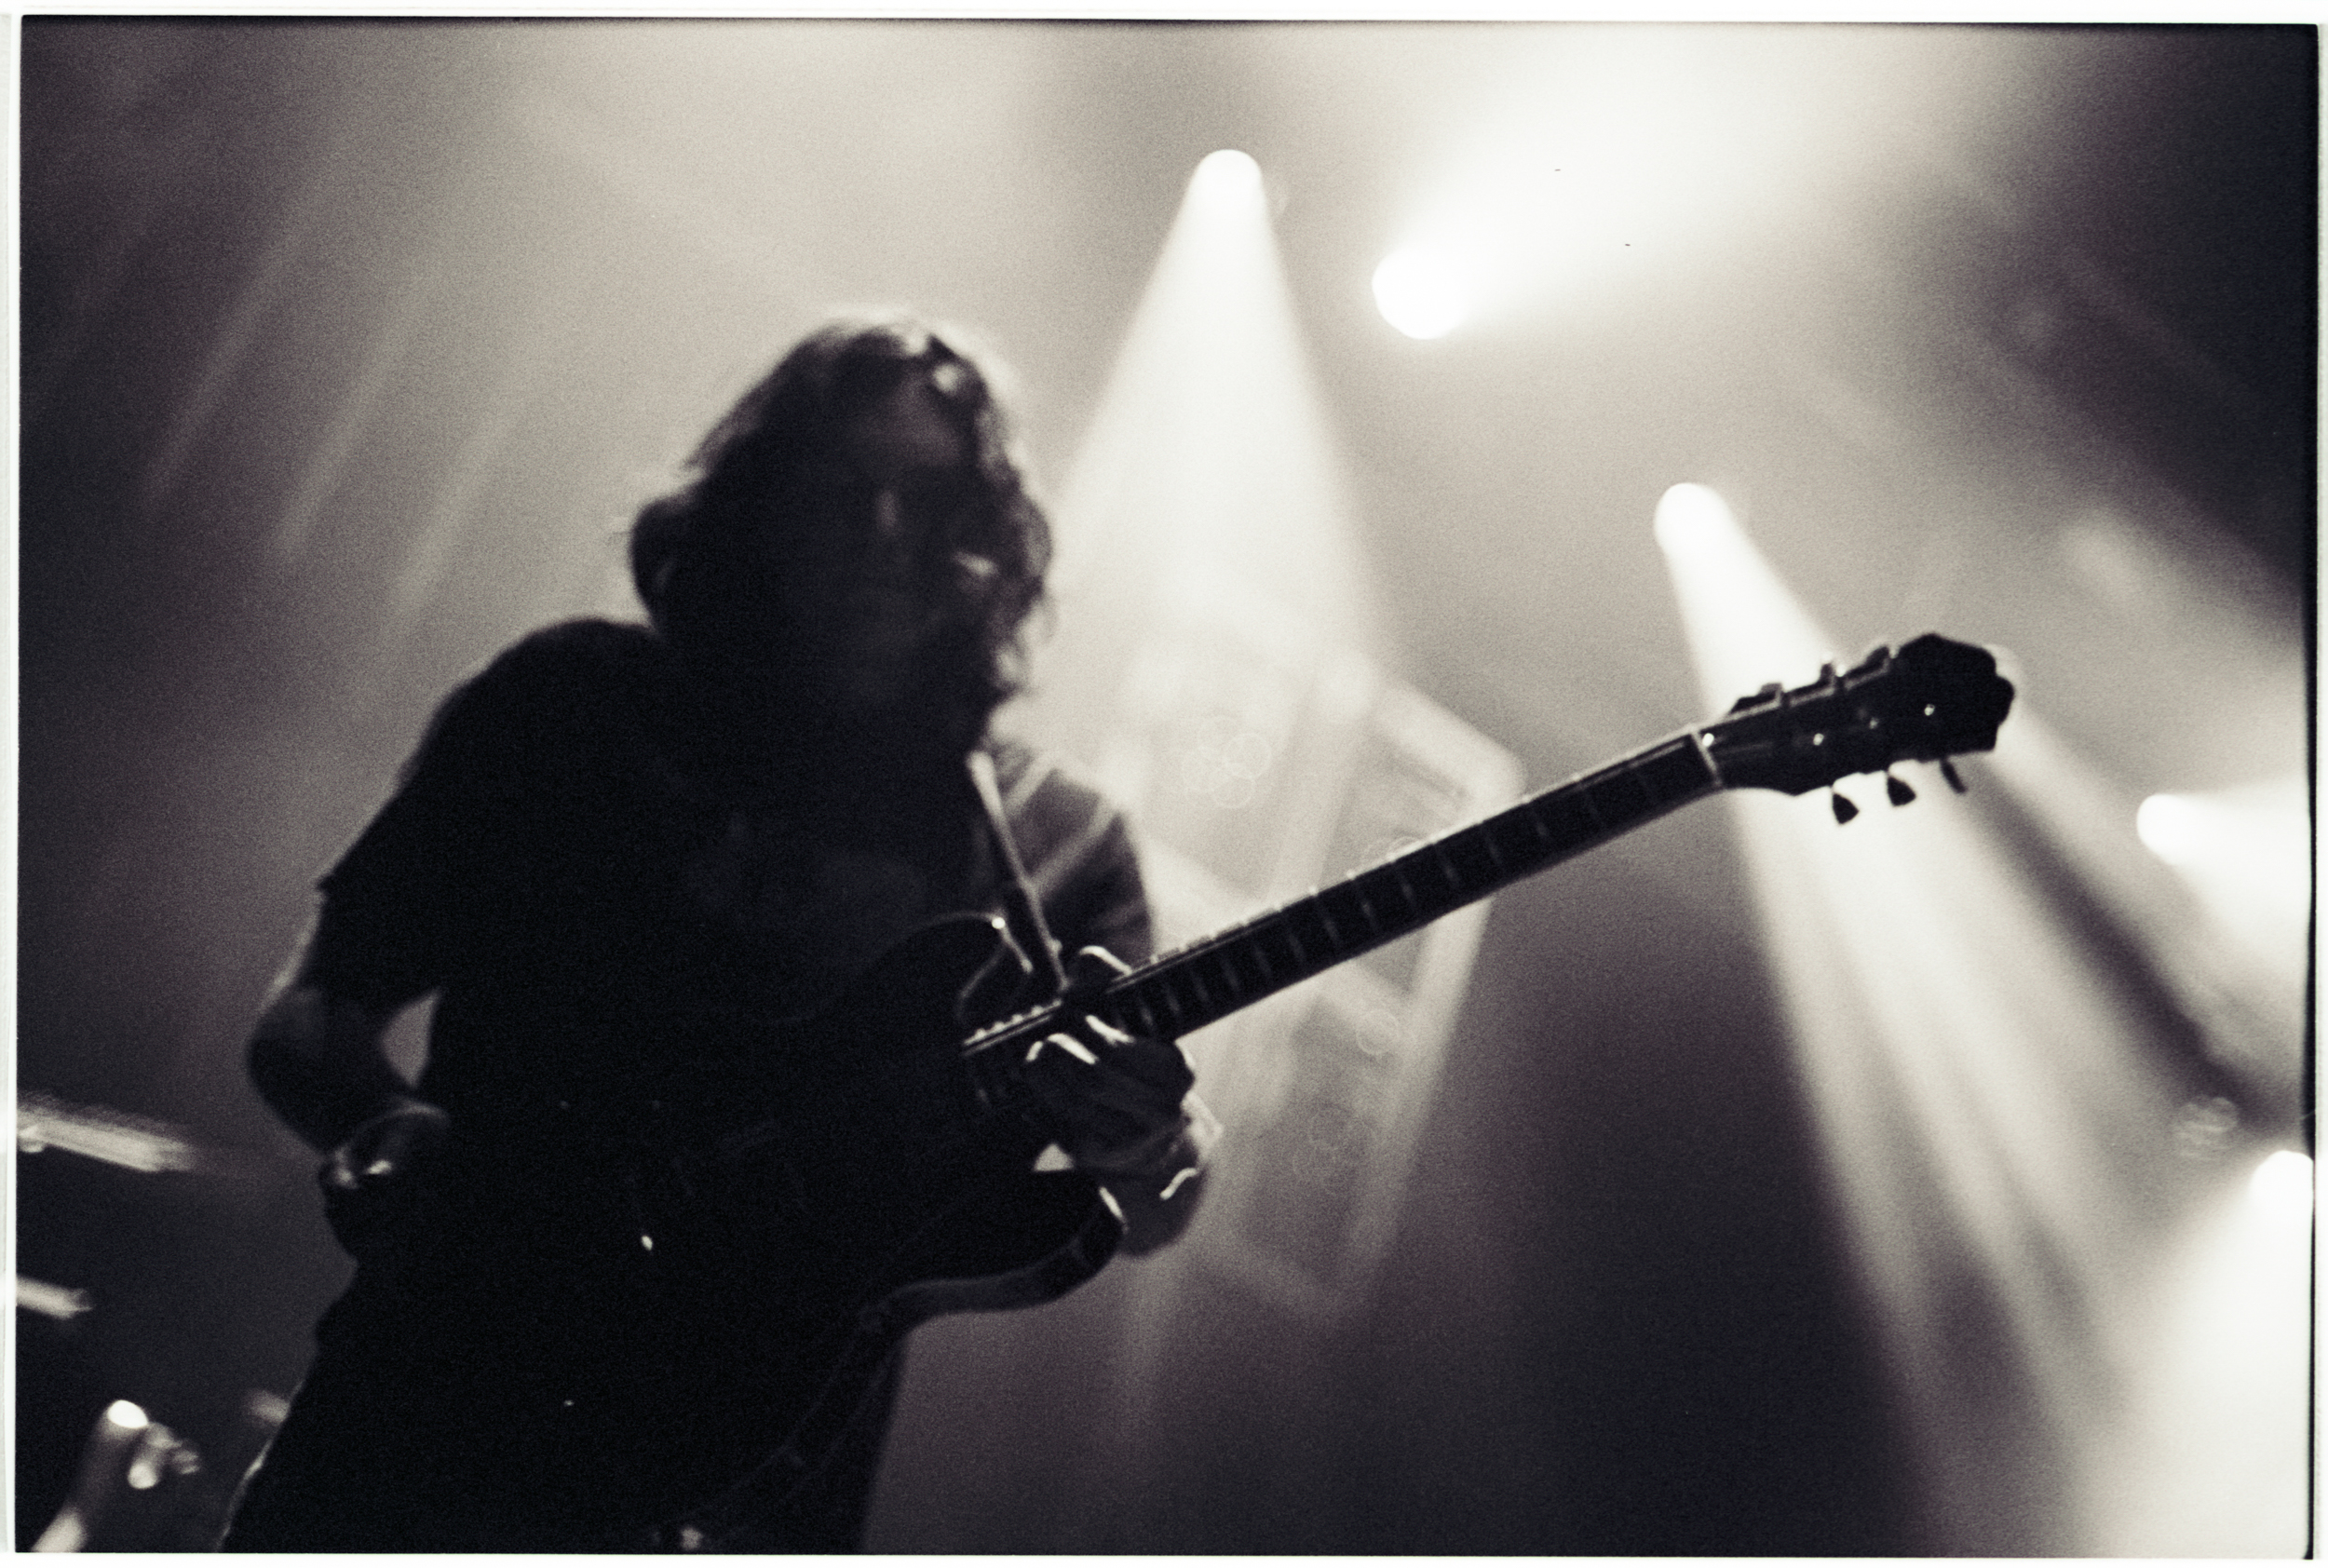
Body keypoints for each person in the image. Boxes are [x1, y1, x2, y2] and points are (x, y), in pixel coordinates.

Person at [219, 316, 1215, 1553]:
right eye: (840, 490)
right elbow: (310, 1014)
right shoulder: (570, 704)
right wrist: (384, 1126)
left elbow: (1163, 1200)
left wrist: (1147, 1135)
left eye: (933, 498)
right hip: (429, 1408)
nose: (885, 538)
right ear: (754, 503)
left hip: (754, 1488)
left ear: (989, 541)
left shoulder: (1054, 837)